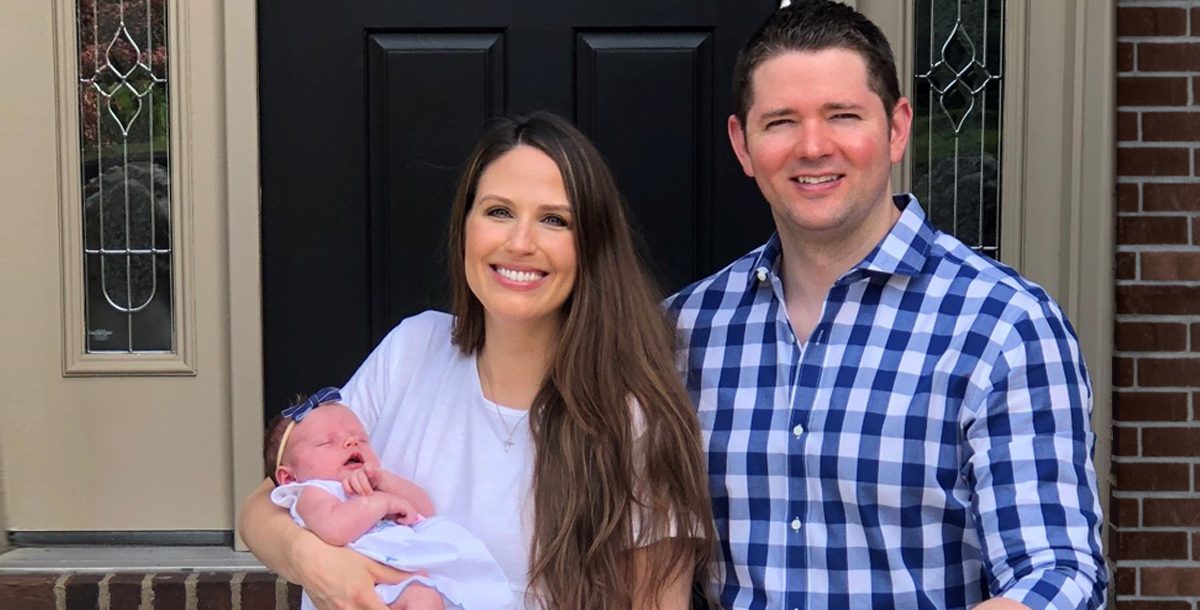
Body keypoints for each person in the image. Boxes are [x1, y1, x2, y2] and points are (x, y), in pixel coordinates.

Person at [665, 1, 1107, 609]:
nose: (813, 146)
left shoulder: (1004, 328)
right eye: (781, 122)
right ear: (742, 144)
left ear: (897, 128)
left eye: (842, 115)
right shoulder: (684, 331)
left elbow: (1057, 576)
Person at [240, 111, 716, 610]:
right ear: (465, 225)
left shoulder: (633, 418)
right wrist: (314, 560)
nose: (520, 243)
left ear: (592, 247)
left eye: (554, 219)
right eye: (498, 211)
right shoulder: (412, 349)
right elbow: (261, 508)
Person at [265, 387, 513, 610]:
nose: (352, 443)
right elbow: (333, 529)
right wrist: (380, 503)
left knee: (432, 598)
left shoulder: (375, 485)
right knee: (423, 600)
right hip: (365, 588)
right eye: (328, 442)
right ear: (289, 478)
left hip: (406, 580)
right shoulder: (313, 492)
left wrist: (383, 482)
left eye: (361, 438)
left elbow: (425, 510)